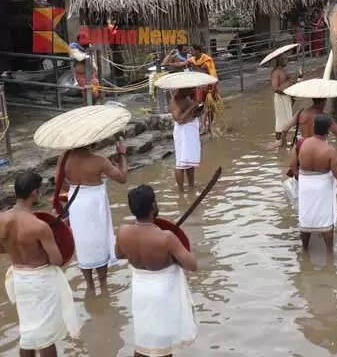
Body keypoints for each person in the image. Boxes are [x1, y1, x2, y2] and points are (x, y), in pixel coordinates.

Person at [1, 171, 80, 356]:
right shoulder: (38, 226)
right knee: (46, 336)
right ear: (34, 193)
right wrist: (62, 231)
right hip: (40, 282)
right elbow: (57, 260)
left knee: (28, 333)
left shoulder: (1, 219)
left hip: (19, 278)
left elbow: (2, 247)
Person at [115, 185, 198, 357]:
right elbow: (192, 265)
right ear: (153, 206)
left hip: (140, 292)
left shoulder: (123, 232)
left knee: (143, 340)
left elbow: (119, 254)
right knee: (163, 346)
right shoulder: (166, 237)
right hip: (162, 294)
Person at [56, 138, 128, 292]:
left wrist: (78, 186)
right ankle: (103, 285)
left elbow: (59, 183)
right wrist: (122, 155)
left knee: (82, 243)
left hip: (76, 203)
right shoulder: (99, 160)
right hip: (95, 203)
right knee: (99, 241)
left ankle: (89, 286)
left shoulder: (64, 158)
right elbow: (122, 178)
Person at [296, 114, 337, 252]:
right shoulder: (329, 150)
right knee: (325, 219)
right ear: (328, 130)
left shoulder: (303, 144)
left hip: (305, 186)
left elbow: (296, 165)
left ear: (314, 127)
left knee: (306, 217)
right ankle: (329, 253)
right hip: (322, 187)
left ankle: (305, 251)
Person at [170, 87, 202, 192]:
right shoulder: (175, 100)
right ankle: (181, 190)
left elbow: (192, 114)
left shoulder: (187, 98)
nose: (192, 91)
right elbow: (179, 119)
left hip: (191, 129)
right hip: (183, 132)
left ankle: (191, 185)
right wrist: (190, 108)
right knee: (181, 163)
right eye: (190, 89)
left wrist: (198, 110)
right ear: (183, 89)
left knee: (190, 161)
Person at [186, 43, 218, 134]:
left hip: (209, 86)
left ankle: (209, 126)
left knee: (210, 107)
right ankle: (202, 126)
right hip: (199, 86)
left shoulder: (207, 60)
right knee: (200, 106)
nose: (190, 52)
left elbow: (213, 75)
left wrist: (213, 88)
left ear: (198, 51)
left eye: (192, 50)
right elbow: (185, 63)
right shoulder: (192, 59)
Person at [271, 55, 296, 148]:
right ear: (280, 60)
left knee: (287, 120)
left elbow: (288, 84)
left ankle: (283, 142)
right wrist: (288, 82)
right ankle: (278, 141)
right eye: (285, 58)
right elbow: (275, 88)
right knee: (281, 120)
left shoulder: (283, 71)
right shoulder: (276, 72)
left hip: (286, 97)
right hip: (280, 98)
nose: (287, 60)